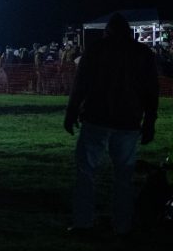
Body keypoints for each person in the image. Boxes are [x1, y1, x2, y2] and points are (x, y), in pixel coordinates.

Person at [64, 13, 159, 236]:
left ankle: (83, 223)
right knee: (124, 177)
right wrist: (150, 122)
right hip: (128, 121)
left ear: (107, 31)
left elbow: (80, 84)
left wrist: (71, 112)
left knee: (86, 172)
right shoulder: (142, 53)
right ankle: (122, 225)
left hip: (96, 118)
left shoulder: (96, 50)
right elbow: (151, 91)